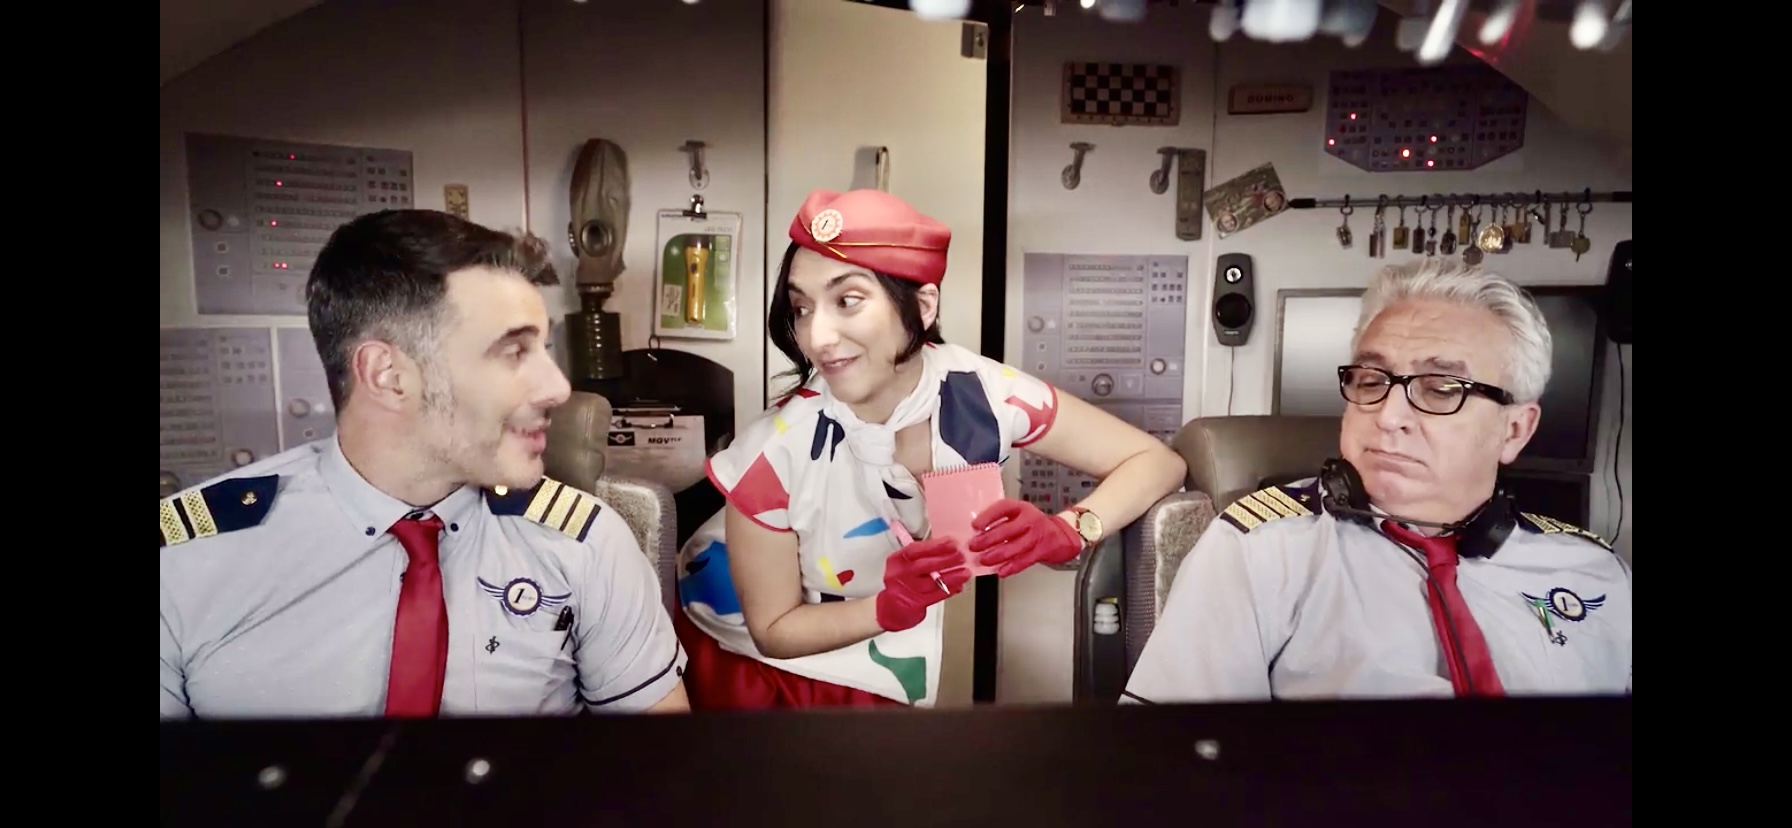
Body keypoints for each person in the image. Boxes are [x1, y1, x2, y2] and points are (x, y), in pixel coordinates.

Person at [159, 210, 689, 719]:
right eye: (514, 352)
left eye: (543, 348)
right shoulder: (185, 562)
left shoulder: (587, 544)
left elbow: (659, 766)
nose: (557, 387)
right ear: (387, 375)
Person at [674, 189, 1188, 710]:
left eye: (847, 300)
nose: (817, 336)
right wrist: (885, 608)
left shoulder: (986, 393)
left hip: (888, 662)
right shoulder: (771, 453)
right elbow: (774, 630)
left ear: (922, 306)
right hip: (751, 666)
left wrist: (1070, 529)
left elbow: (1156, 462)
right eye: (801, 308)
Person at [1124, 260, 1631, 703]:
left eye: (1441, 389)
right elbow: (1168, 757)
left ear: (1515, 429)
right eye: (1371, 381)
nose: (1388, 416)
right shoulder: (1261, 550)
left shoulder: (1594, 571)